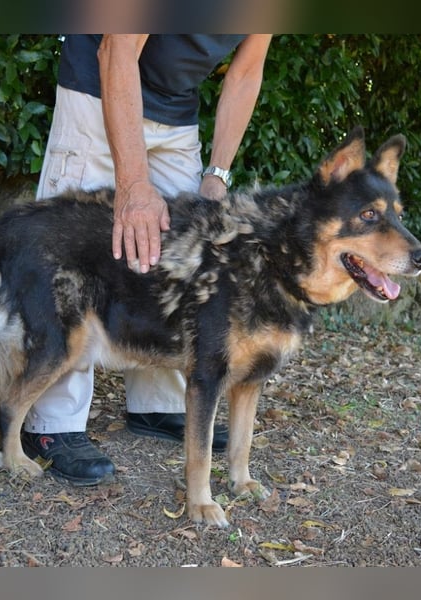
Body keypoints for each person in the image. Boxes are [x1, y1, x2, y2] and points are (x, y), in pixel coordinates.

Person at [22, 34, 272, 486]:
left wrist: (217, 175)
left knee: (182, 253)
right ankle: (51, 422)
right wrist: (134, 184)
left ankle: (157, 405)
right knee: (73, 250)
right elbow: (116, 49)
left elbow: (246, 72)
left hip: (177, 109)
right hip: (99, 90)